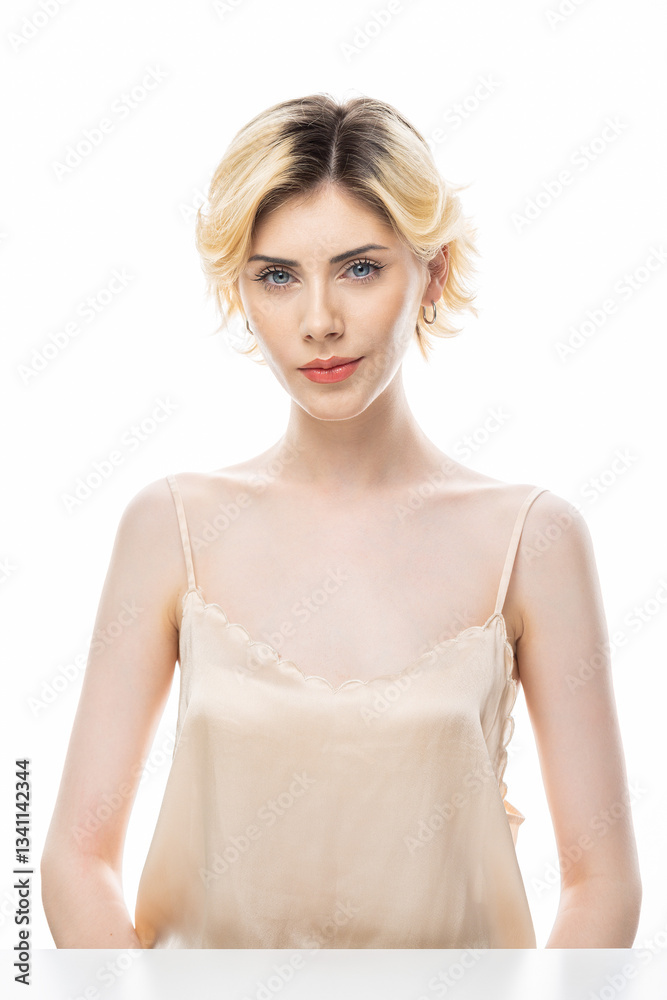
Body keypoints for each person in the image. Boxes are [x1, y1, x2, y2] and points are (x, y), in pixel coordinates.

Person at [41, 92, 641, 949]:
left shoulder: (532, 540)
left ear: (430, 272)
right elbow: (72, 856)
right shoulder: (170, 527)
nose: (318, 321)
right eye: (276, 275)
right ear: (240, 290)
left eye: (359, 268)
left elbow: (601, 885)